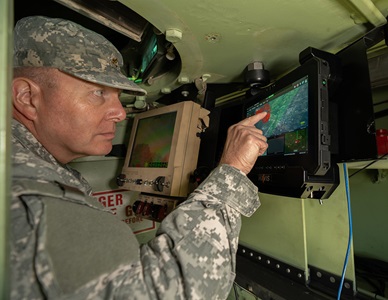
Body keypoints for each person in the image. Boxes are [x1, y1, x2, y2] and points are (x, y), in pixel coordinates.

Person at [11, 15, 268, 299]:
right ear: (26, 97)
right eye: (98, 92)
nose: (120, 113)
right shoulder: (27, 198)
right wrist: (232, 170)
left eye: (118, 97)